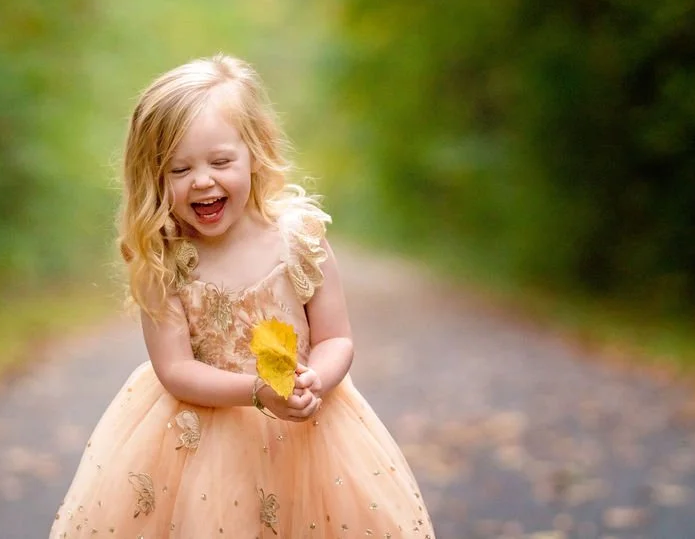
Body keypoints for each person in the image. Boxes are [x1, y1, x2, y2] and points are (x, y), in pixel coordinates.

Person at [49, 55, 434, 538]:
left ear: (255, 152)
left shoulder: (300, 241)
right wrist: (256, 392)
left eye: (220, 162)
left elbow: (335, 338)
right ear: (153, 177)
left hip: (308, 431)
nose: (202, 180)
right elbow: (176, 369)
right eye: (178, 169)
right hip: (205, 443)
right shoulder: (165, 262)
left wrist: (315, 380)